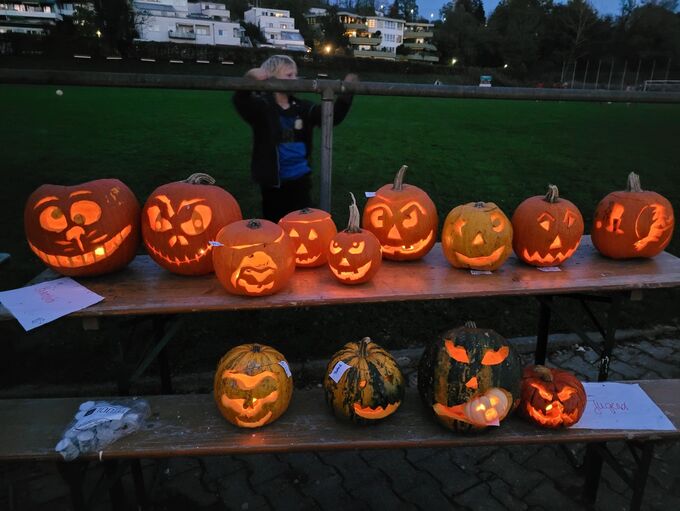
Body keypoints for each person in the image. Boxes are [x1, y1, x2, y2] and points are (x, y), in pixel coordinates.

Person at [233, 55, 357, 222]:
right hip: (274, 184)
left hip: (301, 181)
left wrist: (346, 94)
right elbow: (240, 100)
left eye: (295, 75)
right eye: (289, 75)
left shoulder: (302, 107)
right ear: (271, 78)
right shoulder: (262, 107)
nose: (295, 79)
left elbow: (331, 117)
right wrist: (249, 78)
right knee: (275, 225)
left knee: (302, 224)